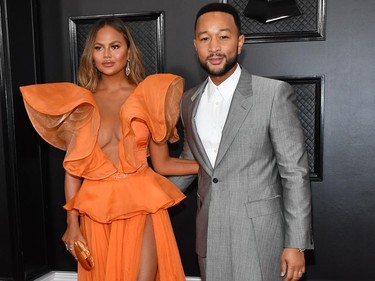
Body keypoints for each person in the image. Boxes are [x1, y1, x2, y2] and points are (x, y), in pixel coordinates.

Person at [20, 17, 198, 281]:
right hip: (96, 211)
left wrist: (213, 165)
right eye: (99, 47)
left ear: (128, 51)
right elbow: (73, 170)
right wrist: (72, 224)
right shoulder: (79, 102)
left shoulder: (148, 96)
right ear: (91, 55)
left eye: (114, 46)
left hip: (142, 205)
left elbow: (162, 164)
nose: (107, 54)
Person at [170, 3, 313, 281]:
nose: (214, 47)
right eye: (204, 38)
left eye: (223, 37)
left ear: (240, 42)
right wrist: (141, 198)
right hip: (209, 234)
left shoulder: (272, 94)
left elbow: (295, 173)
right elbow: (191, 163)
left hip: (259, 237)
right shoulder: (188, 101)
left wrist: (296, 243)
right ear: (195, 45)